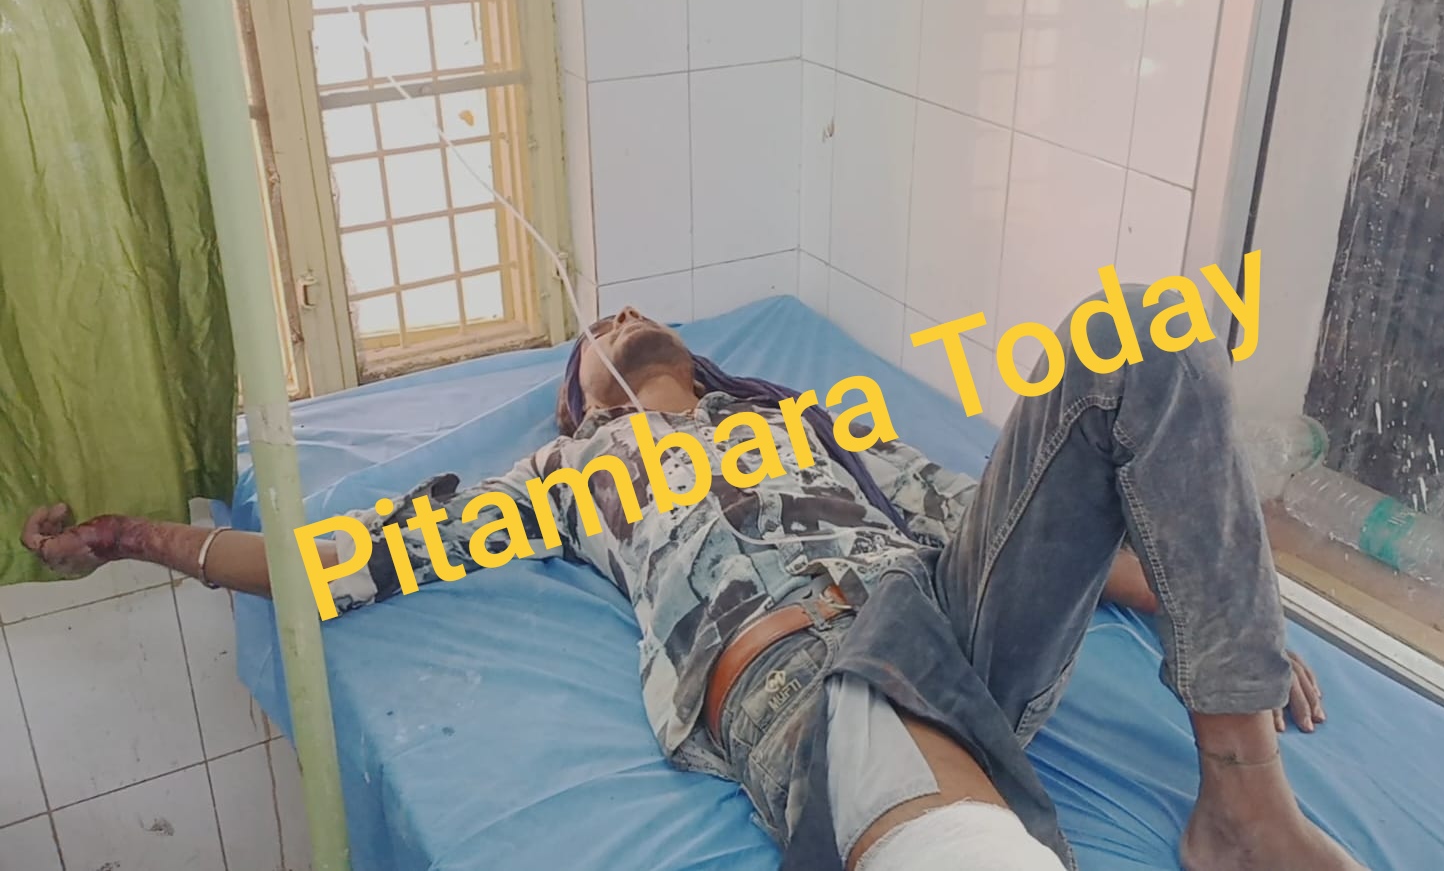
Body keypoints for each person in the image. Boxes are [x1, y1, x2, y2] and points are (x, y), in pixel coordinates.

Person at [22, 290, 1363, 871]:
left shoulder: (816, 423)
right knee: (878, 724)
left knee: (1137, 342)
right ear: (579, 395)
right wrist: (144, 541)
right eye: (595, 334)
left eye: (632, 315)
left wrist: (1212, 604)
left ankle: (1243, 809)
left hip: (950, 615)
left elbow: (997, 522)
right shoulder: (565, 477)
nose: (616, 321)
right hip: (791, 660)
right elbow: (340, 565)